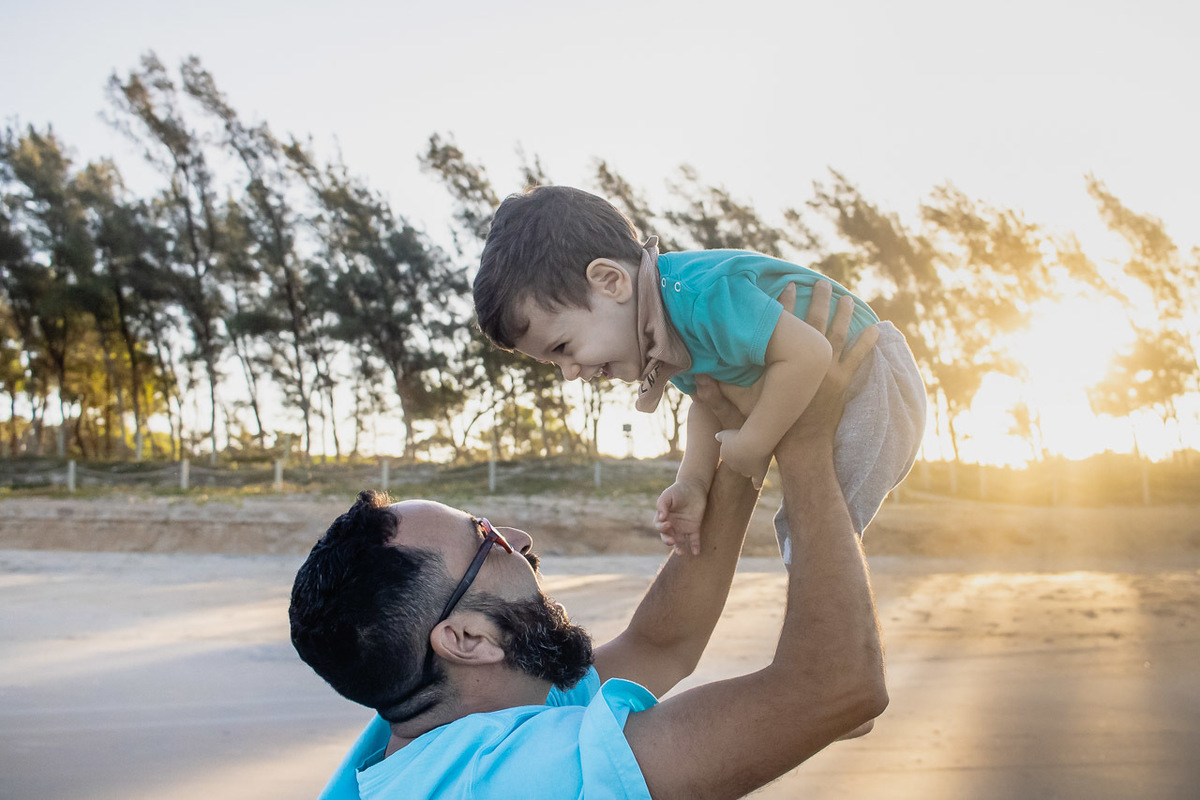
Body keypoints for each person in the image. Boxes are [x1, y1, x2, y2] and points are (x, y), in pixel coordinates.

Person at [290, 283, 888, 799]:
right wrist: (806, 436)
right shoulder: (501, 781)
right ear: (466, 638)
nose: (520, 541)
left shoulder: (458, 715)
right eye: (487, 540)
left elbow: (663, 643)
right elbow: (836, 687)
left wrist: (735, 440)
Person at [473, 185, 926, 560]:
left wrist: (752, 443)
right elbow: (708, 401)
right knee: (813, 534)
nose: (571, 373)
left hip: (873, 376)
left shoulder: (697, 297)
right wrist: (692, 481)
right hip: (844, 381)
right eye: (555, 363)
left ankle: (835, 649)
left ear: (611, 281)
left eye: (563, 348)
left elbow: (808, 355)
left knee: (818, 533)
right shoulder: (666, 325)